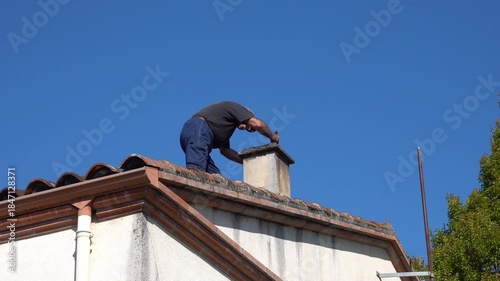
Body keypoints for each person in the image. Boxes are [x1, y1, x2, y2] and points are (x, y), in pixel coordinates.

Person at [179, 101, 280, 174]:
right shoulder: (236, 108)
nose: (247, 128)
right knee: (196, 173)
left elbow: (225, 151)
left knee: (216, 180)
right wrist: (271, 136)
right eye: (248, 124)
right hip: (198, 129)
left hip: (197, 135)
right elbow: (258, 124)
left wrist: (248, 162)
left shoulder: (226, 127)